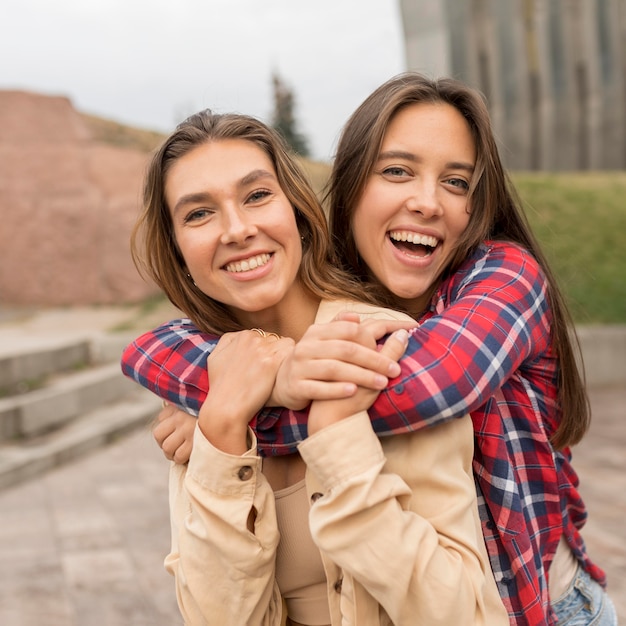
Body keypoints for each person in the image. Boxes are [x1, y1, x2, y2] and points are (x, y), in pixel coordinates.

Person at [122, 74, 616, 625]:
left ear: (297, 212)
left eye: (456, 181)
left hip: (545, 603)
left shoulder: (453, 306)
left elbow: (435, 383)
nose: (426, 202)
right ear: (351, 185)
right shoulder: (224, 385)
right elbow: (146, 348)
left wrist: (259, 407)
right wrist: (225, 417)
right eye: (398, 171)